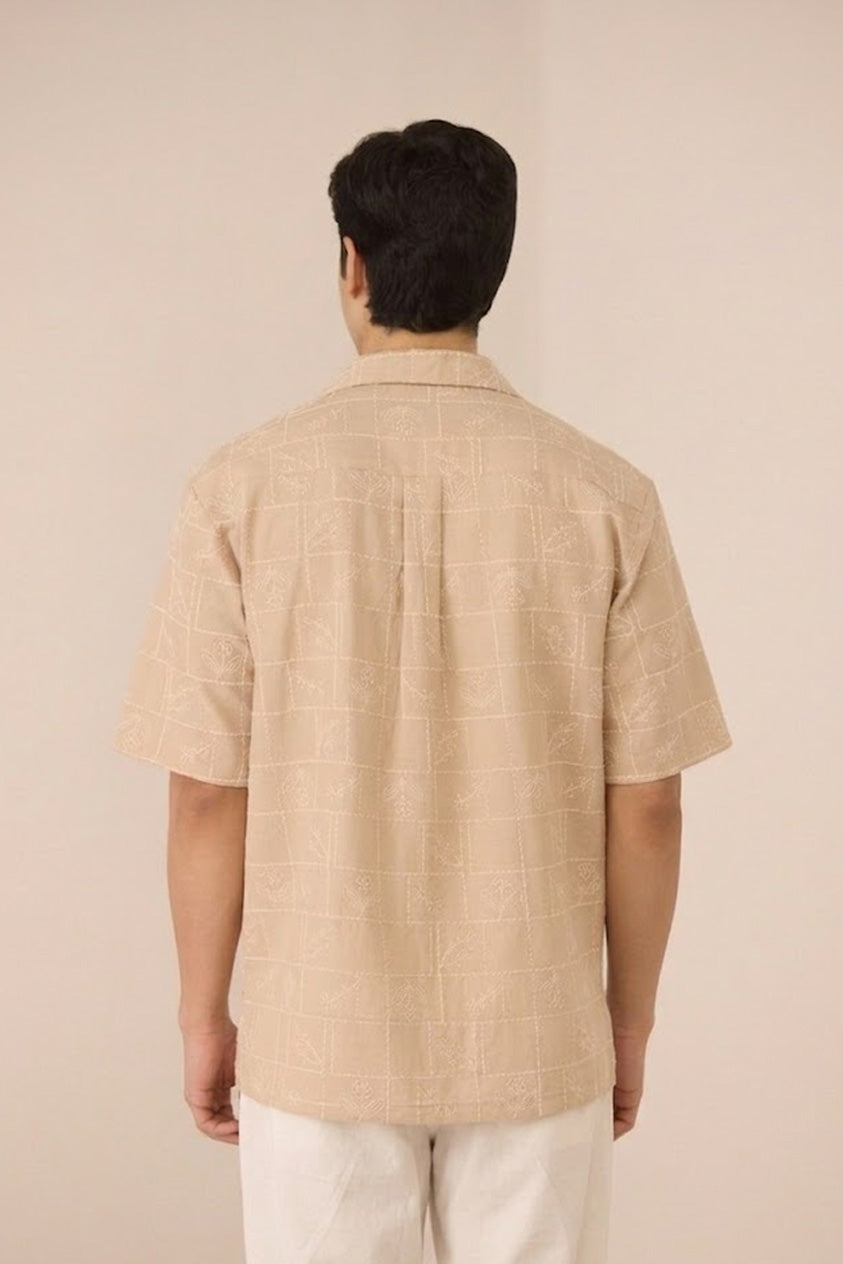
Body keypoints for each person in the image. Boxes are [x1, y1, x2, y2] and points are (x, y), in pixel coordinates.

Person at [113, 118, 732, 1264]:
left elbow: (204, 791)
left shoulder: (238, 491)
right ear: (494, 268)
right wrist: (627, 1022)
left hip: (318, 1034)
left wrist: (203, 1014)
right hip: (534, 1030)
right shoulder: (606, 495)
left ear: (351, 263)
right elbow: (650, 801)